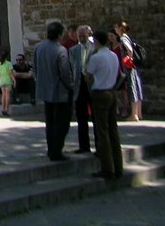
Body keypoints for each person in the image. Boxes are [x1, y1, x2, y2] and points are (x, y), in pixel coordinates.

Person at [85, 26, 123, 180]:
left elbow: (88, 75)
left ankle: (107, 168)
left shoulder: (96, 57)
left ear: (96, 41)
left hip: (100, 93)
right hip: (112, 92)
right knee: (113, 130)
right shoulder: (113, 55)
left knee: (102, 132)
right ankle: (118, 166)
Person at [35, 21, 73, 161]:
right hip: (59, 92)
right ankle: (57, 151)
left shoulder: (39, 47)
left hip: (45, 91)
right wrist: (71, 86)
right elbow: (65, 73)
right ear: (59, 34)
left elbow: (36, 68)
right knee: (62, 123)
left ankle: (51, 149)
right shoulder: (60, 50)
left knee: (50, 122)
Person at [68, 25, 94, 153]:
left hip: (92, 85)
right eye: (79, 36)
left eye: (84, 36)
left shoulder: (95, 48)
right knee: (81, 117)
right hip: (79, 85)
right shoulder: (73, 50)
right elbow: (72, 67)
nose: (82, 38)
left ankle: (100, 145)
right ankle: (84, 146)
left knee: (96, 117)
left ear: (88, 35)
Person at [115, 21, 143, 121]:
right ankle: (138, 113)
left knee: (132, 88)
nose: (115, 29)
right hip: (134, 66)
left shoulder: (123, 38)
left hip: (129, 67)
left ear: (120, 28)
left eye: (116, 27)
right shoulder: (128, 37)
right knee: (137, 87)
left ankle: (134, 115)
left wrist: (128, 60)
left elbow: (129, 50)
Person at [0, 50, 16, 117]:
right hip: (8, 80)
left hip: (2, 81)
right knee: (7, 95)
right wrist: (14, 80)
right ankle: (6, 109)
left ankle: (2, 108)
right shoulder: (8, 63)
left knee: (3, 95)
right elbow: (10, 73)